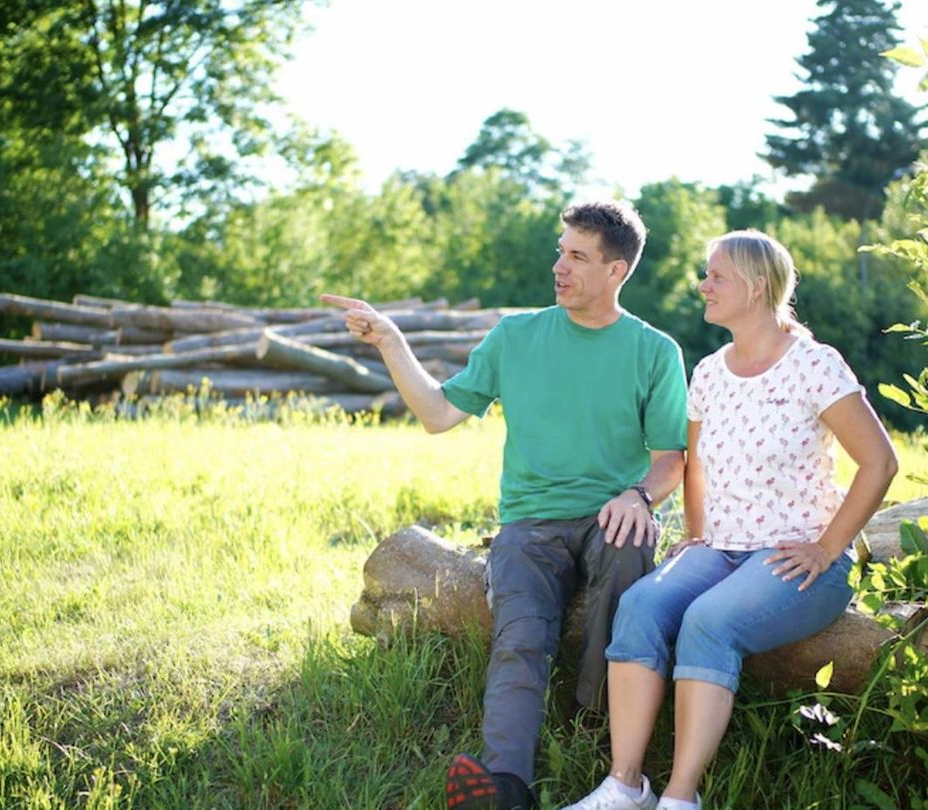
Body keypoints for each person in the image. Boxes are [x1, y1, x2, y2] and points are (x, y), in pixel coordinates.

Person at [322, 201, 688, 810]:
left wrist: (639, 495)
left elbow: (671, 457)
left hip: (613, 515)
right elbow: (438, 413)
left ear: (616, 271)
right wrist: (390, 341)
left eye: (577, 256)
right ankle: (505, 787)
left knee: (628, 552)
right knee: (519, 636)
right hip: (530, 525)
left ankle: (595, 728)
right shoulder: (516, 336)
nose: (559, 267)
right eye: (560, 251)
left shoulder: (654, 350)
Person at [562, 230, 898, 810]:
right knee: (639, 606)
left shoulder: (815, 365)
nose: (704, 285)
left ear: (757, 286)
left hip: (799, 557)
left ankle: (680, 797)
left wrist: (826, 548)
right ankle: (624, 786)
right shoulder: (710, 372)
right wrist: (696, 535)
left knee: (708, 621)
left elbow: (881, 462)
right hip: (720, 550)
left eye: (717, 276)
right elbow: (694, 466)